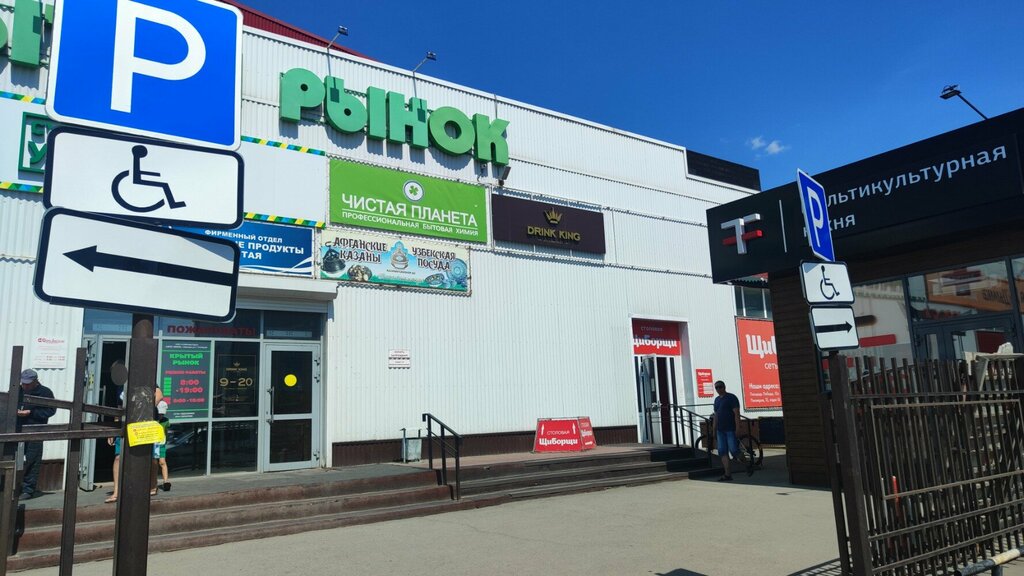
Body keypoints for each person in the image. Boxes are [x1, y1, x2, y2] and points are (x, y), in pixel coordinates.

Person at [17, 369, 56, 499]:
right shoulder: (17, 390)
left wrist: (31, 413)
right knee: (10, 457)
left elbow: (50, 410)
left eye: (28, 384)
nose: (25, 386)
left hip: (36, 430)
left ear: (35, 381)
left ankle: (28, 489)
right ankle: (8, 486)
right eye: (23, 383)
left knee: (32, 460)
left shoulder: (45, 392)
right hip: (16, 429)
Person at [713, 380, 751, 482]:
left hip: (730, 429)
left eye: (720, 387)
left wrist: (738, 427)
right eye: (716, 387)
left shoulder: (731, 398)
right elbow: (716, 415)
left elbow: (736, 413)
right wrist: (714, 429)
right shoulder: (716, 400)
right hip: (720, 430)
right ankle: (727, 474)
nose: (718, 389)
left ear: (724, 387)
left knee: (734, 450)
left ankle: (747, 464)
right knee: (722, 451)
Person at [153, 400, 170, 493]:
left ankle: (166, 481)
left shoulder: (166, 421)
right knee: (154, 463)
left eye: (162, 414)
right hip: (153, 444)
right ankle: (153, 483)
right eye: (159, 414)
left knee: (162, 462)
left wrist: (165, 440)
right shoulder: (152, 420)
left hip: (161, 443)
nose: (161, 416)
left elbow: (165, 431)